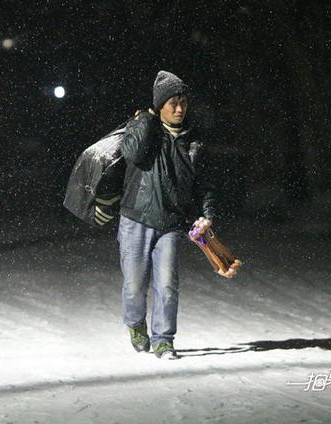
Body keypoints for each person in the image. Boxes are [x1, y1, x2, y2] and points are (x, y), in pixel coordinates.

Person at [117, 70, 217, 359]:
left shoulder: (193, 141)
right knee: (135, 286)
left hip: (172, 224)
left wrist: (207, 214)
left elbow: (204, 184)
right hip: (136, 218)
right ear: (159, 105)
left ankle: (163, 340)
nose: (179, 108)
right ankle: (136, 324)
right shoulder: (145, 129)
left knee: (167, 286)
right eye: (172, 102)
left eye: (183, 102)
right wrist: (144, 120)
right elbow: (132, 154)